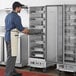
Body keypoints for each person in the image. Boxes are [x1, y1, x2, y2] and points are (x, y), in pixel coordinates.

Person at [5, 2, 29, 76]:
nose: (21, 9)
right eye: (20, 8)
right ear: (17, 8)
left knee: (12, 55)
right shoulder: (16, 17)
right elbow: (21, 29)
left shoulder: (8, 16)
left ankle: (12, 71)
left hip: (7, 37)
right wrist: (29, 31)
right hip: (12, 38)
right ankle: (8, 73)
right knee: (11, 56)